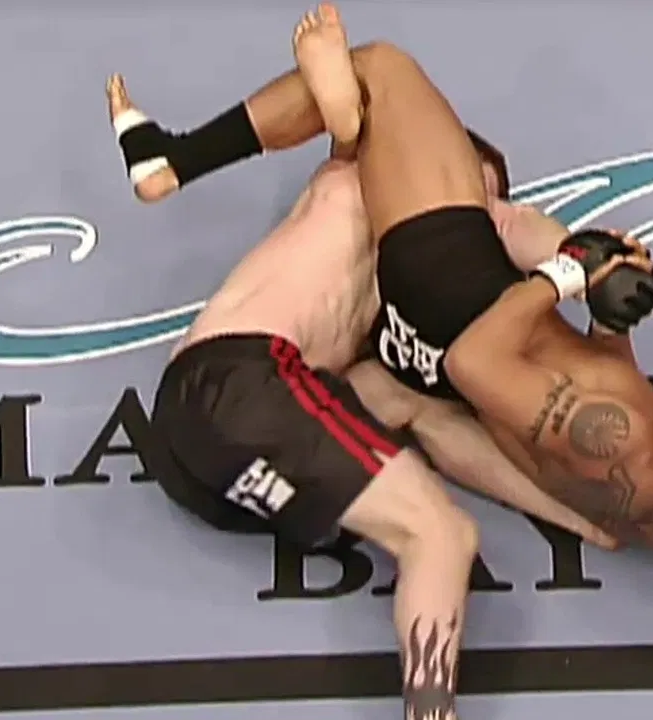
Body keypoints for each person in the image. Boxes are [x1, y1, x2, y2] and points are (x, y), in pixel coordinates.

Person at [114, 4, 653, 551]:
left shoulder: (620, 435)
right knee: (430, 185)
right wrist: (609, 318)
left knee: (382, 69)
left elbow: (477, 362)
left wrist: (564, 277)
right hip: (431, 354)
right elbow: (543, 420)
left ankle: (180, 159)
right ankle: (350, 134)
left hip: (456, 302)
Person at [115, 9, 620, 720]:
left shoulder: (389, 328)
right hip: (241, 376)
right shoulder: (357, 180)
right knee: (441, 536)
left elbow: (439, 429)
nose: (473, 215)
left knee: (410, 455)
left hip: (201, 455)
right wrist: (580, 266)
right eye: (471, 189)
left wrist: (572, 513)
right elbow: (352, 118)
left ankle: (172, 160)